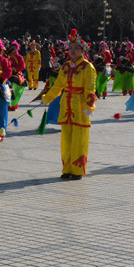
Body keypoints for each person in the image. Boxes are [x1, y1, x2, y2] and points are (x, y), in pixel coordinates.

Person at [41, 29, 97, 180]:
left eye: (76, 48)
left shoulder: (87, 67)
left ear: (83, 50)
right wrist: (46, 98)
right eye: (70, 48)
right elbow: (58, 86)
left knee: (79, 140)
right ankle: (66, 169)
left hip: (80, 106)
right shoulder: (65, 67)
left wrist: (89, 106)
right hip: (66, 106)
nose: (72, 51)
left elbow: (90, 87)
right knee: (66, 140)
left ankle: (77, 170)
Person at [7, 41, 27, 112]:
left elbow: (23, 67)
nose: (13, 49)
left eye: (15, 47)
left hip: (17, 74)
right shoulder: (8, 56)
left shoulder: (20, 57)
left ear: (17, 48)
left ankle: (14, 105)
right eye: (12, 47)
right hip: (9, 74)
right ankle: (8, 105)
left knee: (15, 89)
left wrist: (14, 69)